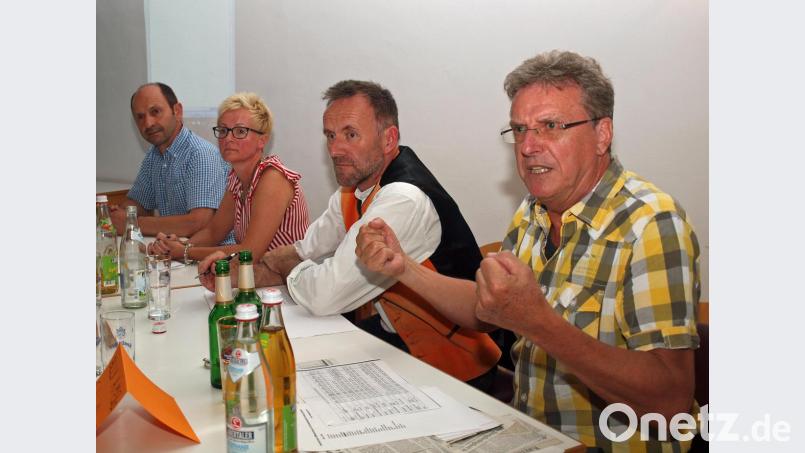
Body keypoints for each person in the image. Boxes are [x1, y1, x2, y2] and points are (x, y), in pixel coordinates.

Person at [355, 51, 701, 452]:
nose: (529, 146)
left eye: (550, 126)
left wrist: (537, 322)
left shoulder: (650, 224)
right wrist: (404, 269)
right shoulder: (533, 210)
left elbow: (669, 403)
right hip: (533, 438)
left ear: (602, 134)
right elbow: (488, 307)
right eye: (520, 130)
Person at [200, 80, 501, 391]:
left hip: (453, 367)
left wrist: (286, 267)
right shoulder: (353, 190)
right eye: (330, 136)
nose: (335, 149)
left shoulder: (402, 199)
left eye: (351, 135)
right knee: (277, 369)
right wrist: (239, 274)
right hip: (392, 339)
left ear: (389, 139)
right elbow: (304, 250)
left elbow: (324, 294)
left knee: (284, 383)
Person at [148, 92, 309, 262]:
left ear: (262, 140)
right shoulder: (237, 179)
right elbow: (213, 232)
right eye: (223, 130)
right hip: (258, 274)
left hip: (287, 277)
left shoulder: (273, 178)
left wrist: (183, 252)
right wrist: (175, 247)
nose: (228, 138)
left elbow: (250, 252)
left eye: (240, 131)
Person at [112, 82, 231, 240]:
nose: (148, 123)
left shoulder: (201, 154)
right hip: (175, 249)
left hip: (214, 252)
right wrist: (115, 215)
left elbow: (199, 222)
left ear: (177, 111)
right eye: (140, 117)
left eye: (155, 112)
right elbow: (139, 203)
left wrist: (132, 223)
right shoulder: (153, 156)